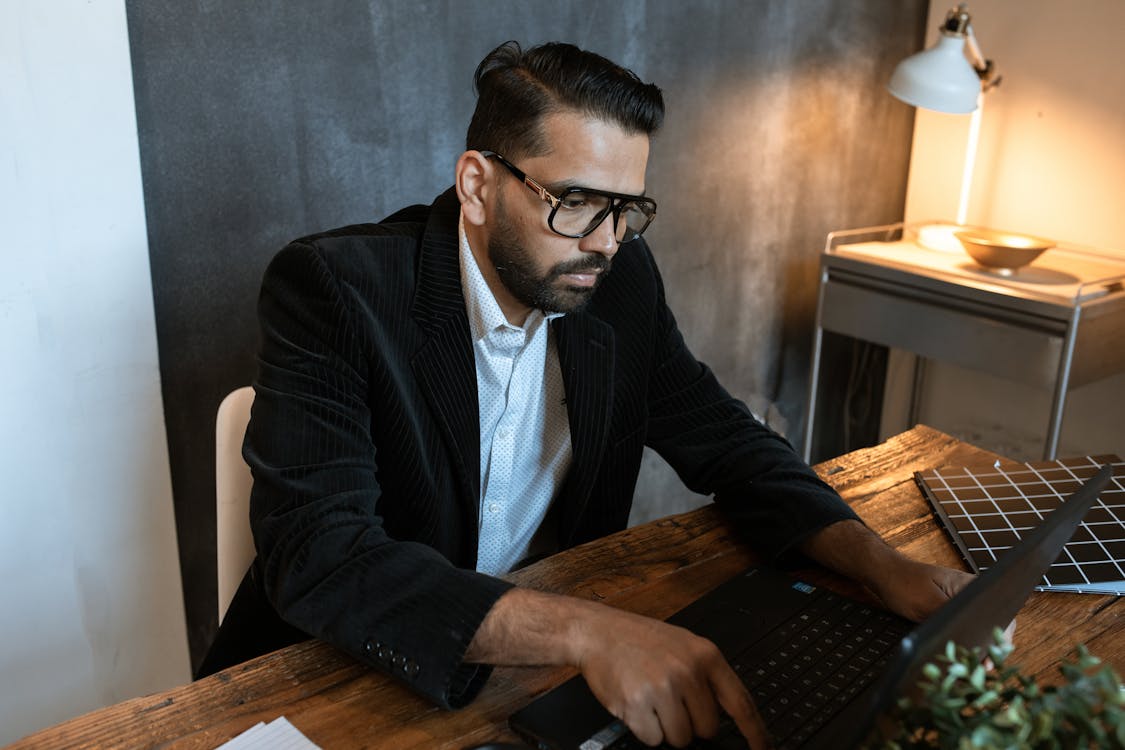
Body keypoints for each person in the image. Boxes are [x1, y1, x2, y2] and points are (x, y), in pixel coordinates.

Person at [201, 40, 973, 748]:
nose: (605, 240)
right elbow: (321, 554)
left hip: (525, 679)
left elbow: (725, 439)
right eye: (575, 201)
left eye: (626, 209)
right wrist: (588, 633)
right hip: (333, 681)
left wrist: (879, 564)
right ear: (477, 186)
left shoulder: (617, 280)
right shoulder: (335, 289)